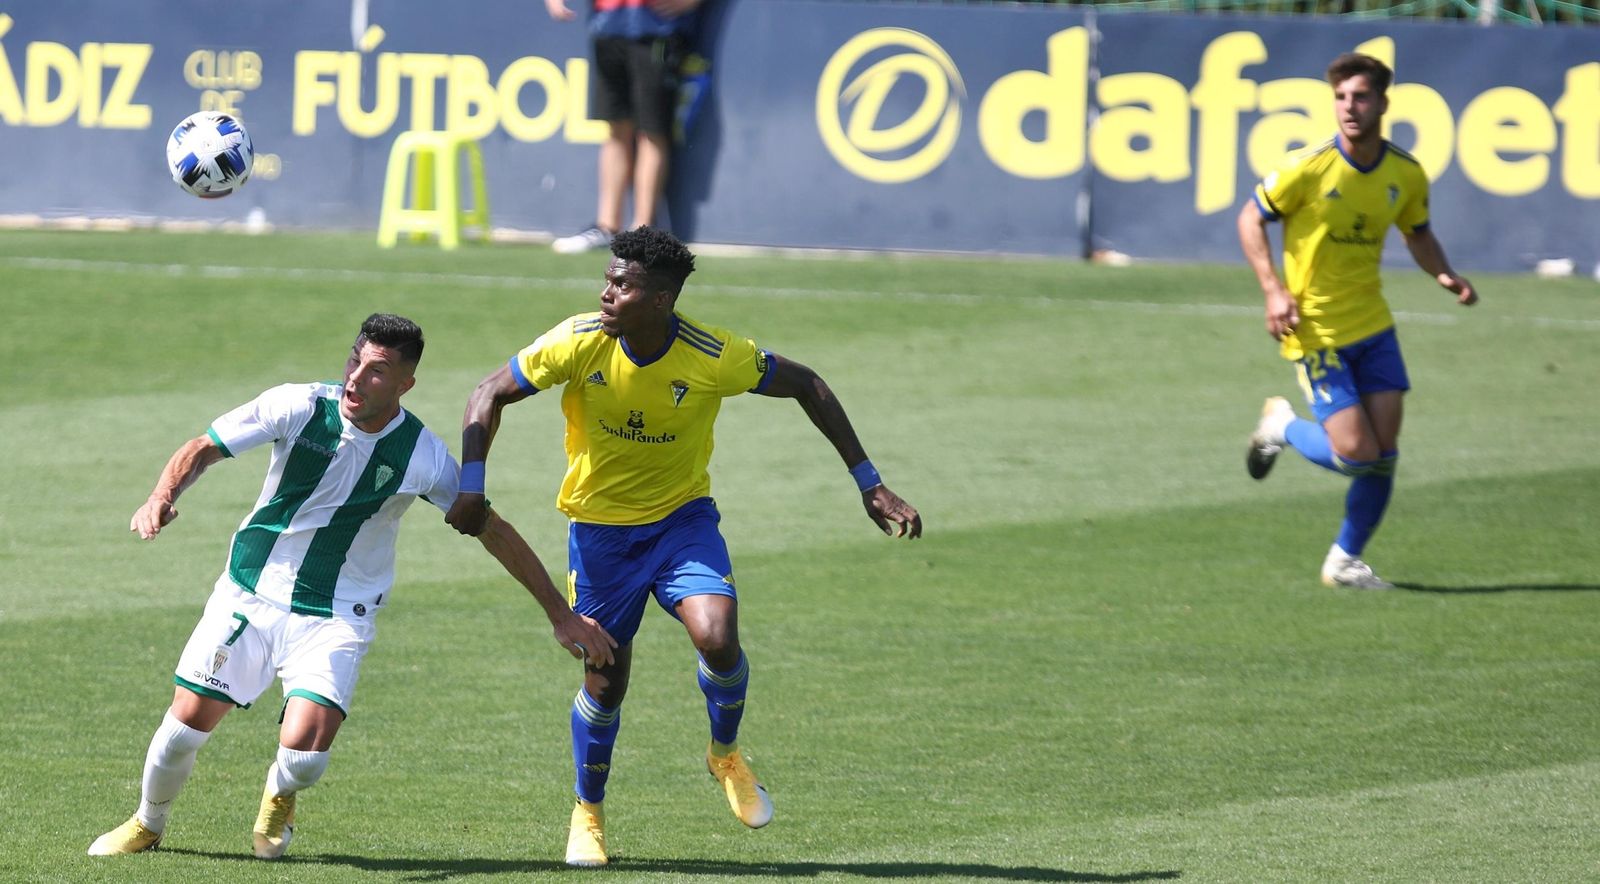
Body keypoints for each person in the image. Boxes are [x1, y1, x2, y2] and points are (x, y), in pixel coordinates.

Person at [445, 227, 922, 867]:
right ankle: (588, 810)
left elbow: (808, 384)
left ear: (662, 299)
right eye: (608, 280)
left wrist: (870, 483)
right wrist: (472, 484)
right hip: (600, 534)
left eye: (623, 285)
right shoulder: (580, 340)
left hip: (681, 523)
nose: (606, 293)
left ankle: (724, 754)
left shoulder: (712, 355)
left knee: (718, 635)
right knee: (605, 680)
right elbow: (488, 393)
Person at [88, 314, 615, 859]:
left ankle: (281, 792)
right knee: (184, 729)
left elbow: (492, 529)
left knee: (304, 758)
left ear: (406, 384)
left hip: (337, 613)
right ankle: (147, 824)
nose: (356, 378)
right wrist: (161, 494)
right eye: (354, 359)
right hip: (250, 591)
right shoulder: (297, 405)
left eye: (378, 370)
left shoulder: (422, 455)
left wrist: (560, 614)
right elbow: (206, 446)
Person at [1238, 53, 1478, 589]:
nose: (1349, 107)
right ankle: (1281, 426)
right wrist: (1273, 290)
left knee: (1384, 455)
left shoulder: (1405, 173)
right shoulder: (1308, 167)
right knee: (1355, 455)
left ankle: (1345, 561)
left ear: (1382, 104)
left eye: (1361, 97)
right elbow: (1251, 217)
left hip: (1373, 327)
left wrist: (1444, 274)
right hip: (1317, 330)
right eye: (1342, 97)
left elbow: (1417, 232)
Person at [546, 0, 704, 254]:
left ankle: (642, 231)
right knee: (615, 131)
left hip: (656, 30)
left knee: (651, 132)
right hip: (607, 27)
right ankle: (607, 227)